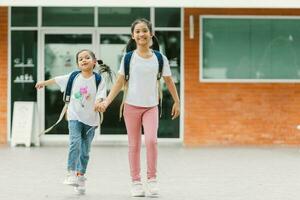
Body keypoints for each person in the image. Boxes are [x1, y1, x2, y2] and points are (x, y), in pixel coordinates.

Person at [95, 18, 180, 197]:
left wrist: (177, 101)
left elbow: (169, 81)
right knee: (134, 145)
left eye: (144, 30)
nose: (141, 34)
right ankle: (135, 182)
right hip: (131, 107)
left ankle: (152, 179)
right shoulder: (128, 58)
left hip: (151, 107)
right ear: (133, 36)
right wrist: (106, 102)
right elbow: (119, 82)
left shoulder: (159, 58)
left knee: (151, 141)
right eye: (138, 31)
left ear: (151, 34)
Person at [35, 49, 110, 195]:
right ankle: (71, 172)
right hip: (74, 116)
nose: (83, 60)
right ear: (77, 63)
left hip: (91, 120)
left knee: (85, 151)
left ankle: (80, 176)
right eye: (80, 59)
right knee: (74, 142)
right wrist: (43, 83)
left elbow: (101, 96)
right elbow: (57, 79)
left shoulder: (98, 79)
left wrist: (99, 102)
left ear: (94, 61)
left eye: (87, 58)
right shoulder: (73, 76)